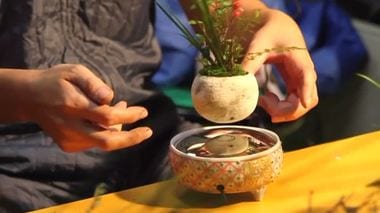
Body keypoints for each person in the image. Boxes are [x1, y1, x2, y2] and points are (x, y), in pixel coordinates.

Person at [0, 0, 317, 212]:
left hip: (148, 138)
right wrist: (23, 95)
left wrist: (265, 22)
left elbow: (218, 9)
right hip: (14, 162)